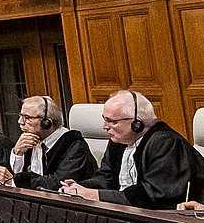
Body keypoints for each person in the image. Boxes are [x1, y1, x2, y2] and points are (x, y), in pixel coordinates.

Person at [63, 90, 203, 209]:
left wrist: (93, 195)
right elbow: (105, 178)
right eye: (104, 119)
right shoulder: (119, 141)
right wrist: (78, 188)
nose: (104, 127)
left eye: (112, 121)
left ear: (137, 123)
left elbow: (153, 194)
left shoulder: (164, 142)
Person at [6, 95, 94, 191]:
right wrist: (18, 153)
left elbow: (59, 183)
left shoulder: (74, 145)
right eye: (21, 116)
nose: (20, 122)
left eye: (27, 117)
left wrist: (19, 180)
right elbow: (16, 176)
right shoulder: (31, 140)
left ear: (46, 122)